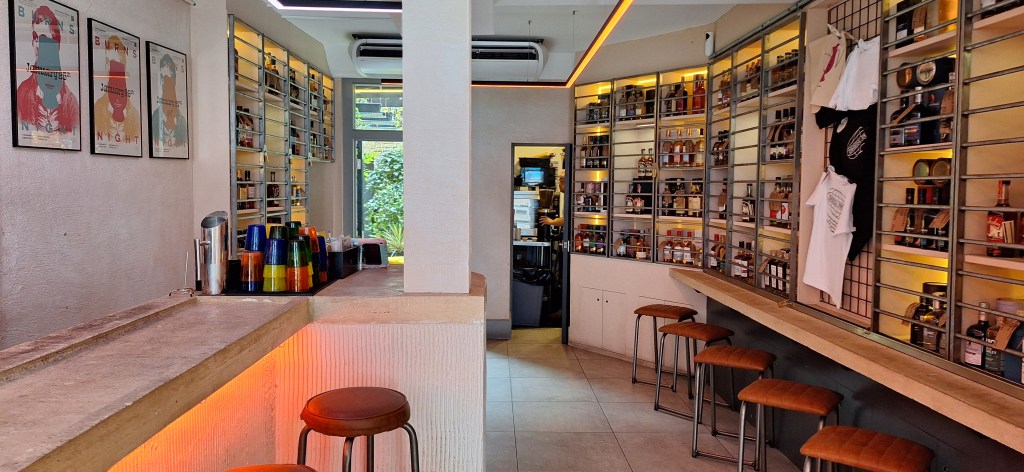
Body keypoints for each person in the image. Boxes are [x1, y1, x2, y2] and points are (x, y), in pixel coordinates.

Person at [16, 5, 80, 148]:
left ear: (56, 44)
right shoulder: (22, 94)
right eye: (35, 37)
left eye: (44, 39)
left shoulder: (71, 103)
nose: (38, 43)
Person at [94, 35, 141, 147]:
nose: (110, 66)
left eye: (115, 62)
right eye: (108, 61)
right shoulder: (98, 108)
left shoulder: (134, 114)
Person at [150, 53, 188, 153]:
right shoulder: (154, 118)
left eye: (170, 78)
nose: (166, 82)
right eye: (163, 77)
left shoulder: (182, 122)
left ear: (174, 80)